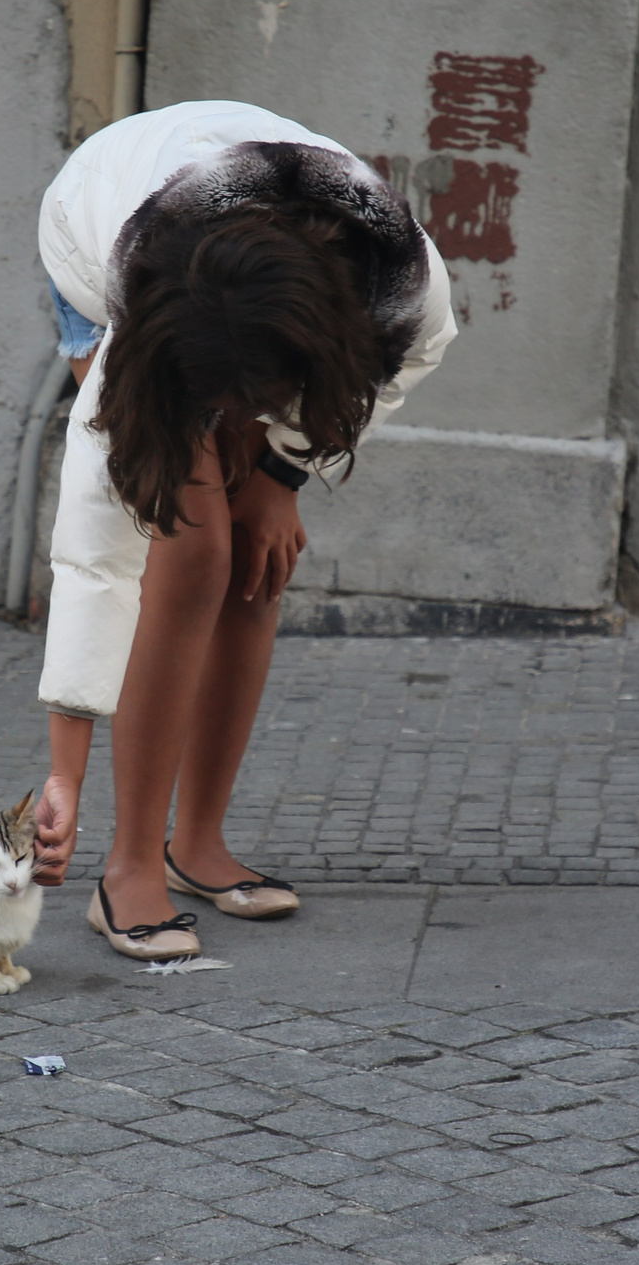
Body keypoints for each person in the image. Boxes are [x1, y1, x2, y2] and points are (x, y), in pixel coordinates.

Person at [30, 101, 458, 959]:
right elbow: (95, 557)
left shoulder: (400, 280)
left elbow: (412, 358)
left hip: (263, 272)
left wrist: (282, 474)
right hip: (101, 235)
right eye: (222, 407)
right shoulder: (141, 295)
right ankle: (127, 872)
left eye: (248, 405)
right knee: (193, 551)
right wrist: (62, 775)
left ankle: (198, 845)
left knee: (256, 558)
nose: (233, 421)